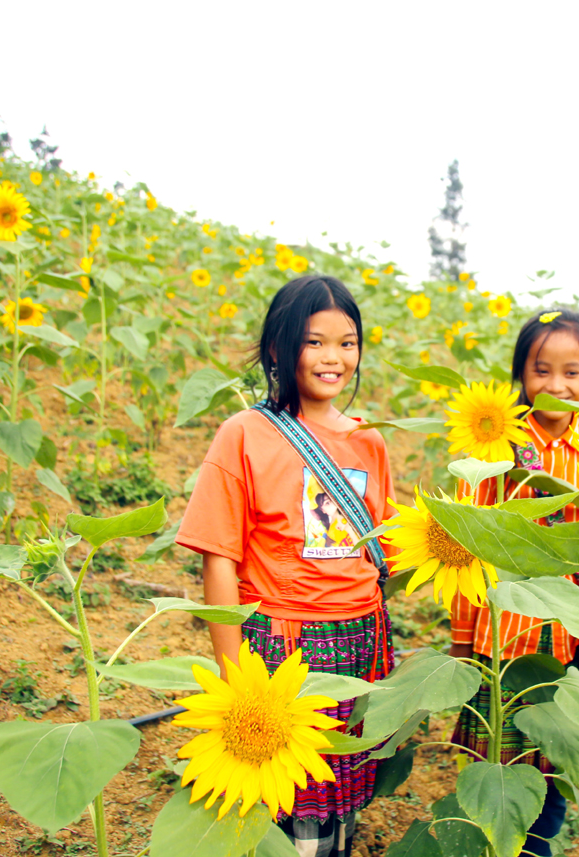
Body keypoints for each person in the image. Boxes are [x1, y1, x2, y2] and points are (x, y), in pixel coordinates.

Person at [176, 275, 396, 857]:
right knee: (284, 803)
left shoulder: (370, 441)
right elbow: (219, 557)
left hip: (360, 641)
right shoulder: (244, 434)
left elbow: (381, 549)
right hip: (281, 646)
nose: (333, 358)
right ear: (278, 348)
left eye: (346, 343)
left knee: (339, 800)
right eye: (314, 341)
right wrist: (233, 681)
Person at [448, 307, 579, 857]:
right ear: (520, 377)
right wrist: (461, 641)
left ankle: (538, 845)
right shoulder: (494, 450)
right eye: (541, 370)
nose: (556, 386)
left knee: (559, 759)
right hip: (506, 632)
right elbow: (467, 546)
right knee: (498, 763)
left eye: (572, 372)